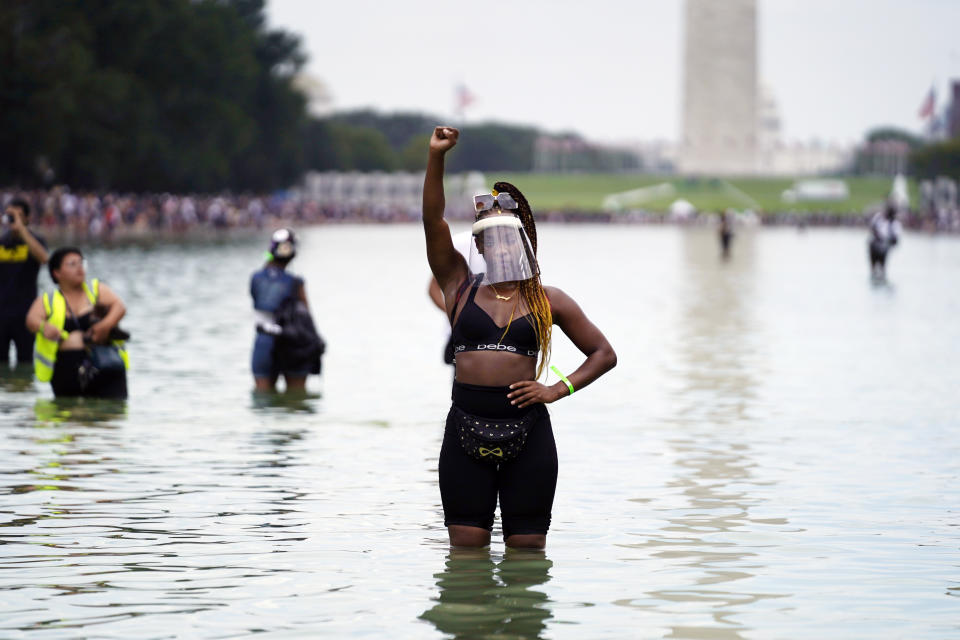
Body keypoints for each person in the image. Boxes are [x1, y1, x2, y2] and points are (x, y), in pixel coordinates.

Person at [423, 126, 617, 549]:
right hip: (464, 434)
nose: (501, 248)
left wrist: (556, 389)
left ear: (524, 245)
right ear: (481, 249)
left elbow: (603, 354)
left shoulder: (549, 299)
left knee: (527, 552)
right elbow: (433, 220)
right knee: (467, 551)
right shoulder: (459, 286)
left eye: (508, 239)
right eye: (489, 241)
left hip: (529, 436)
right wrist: (436, 157)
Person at [24, 247, 129, 399]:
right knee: (71, 418)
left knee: (109, 418)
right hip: (67, 371)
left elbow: (119, 307)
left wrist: (104, 326)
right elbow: (31, 320)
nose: (79, 267)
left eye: (81, 263)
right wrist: (44, 327)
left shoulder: (96, 290)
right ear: (57, 273)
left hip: (105, 366)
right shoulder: (48, 300)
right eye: (72, 264)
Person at [250, 228, 323, 393]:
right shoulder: (296, 283)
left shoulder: (256, 278)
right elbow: (306, 317)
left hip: (264, 340)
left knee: (262, 400)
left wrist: (270, 254)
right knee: (296, 400)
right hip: (293, 344)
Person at [1, 197, 49, 367]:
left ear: (28, 218)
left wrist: (21, 230)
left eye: (19, 215)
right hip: (2, 313)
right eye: (10, 215)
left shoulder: (36, 240)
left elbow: (44, 258)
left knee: (26, 363)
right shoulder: (2, 240)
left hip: (26, 314)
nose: (14, 219)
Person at [868, 202, 902, 280]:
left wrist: (886, 240)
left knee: (882, 266)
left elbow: (896, 239)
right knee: (873, 266)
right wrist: (879, 236)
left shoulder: (895, 224)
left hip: (884, 247)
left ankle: (880, 277)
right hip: (874, 245)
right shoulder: (878, 217)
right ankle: (874, 276)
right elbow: (872, 228)